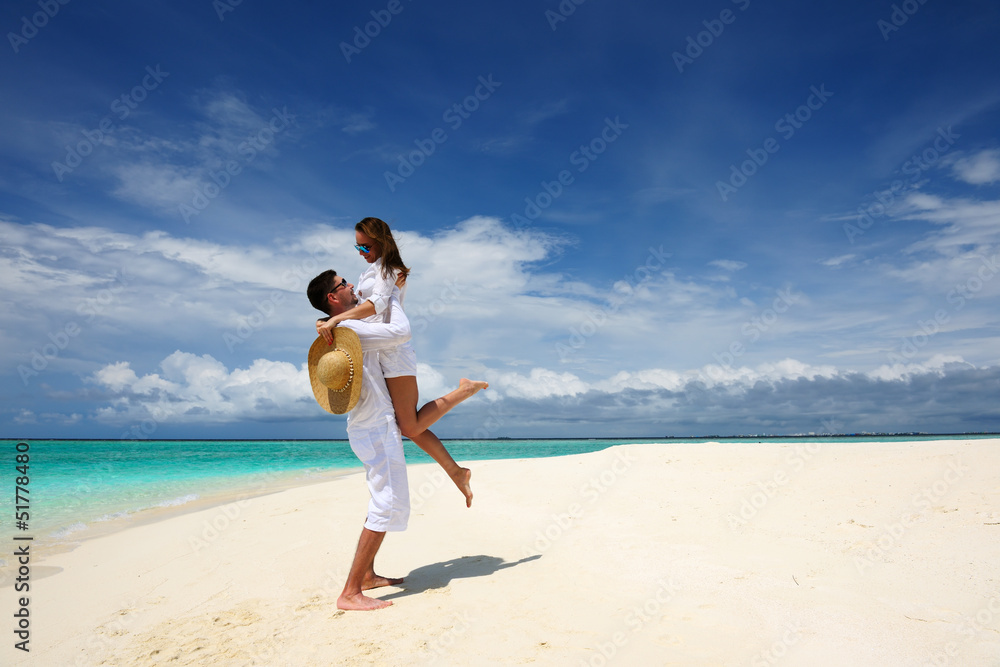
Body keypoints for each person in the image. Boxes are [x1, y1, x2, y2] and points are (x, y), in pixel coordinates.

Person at [315, 217, 487, 508]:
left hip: (394, 353)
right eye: (357, 247)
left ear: (381, 241)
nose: (361, 251)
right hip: (379, 352)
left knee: (409, 426)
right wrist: (325, 319)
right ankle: (457, 472)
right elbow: (357, 308)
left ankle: (464, 391)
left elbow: (376, 306)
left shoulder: (387, 268)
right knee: (406, 425)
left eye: (365, 246)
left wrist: (335, 319)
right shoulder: (371, 271)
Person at [306, 271, 412, 611]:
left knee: (383, 500)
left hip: (366, 426)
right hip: (375, 426)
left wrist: (394, 293)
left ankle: (366, 575)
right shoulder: (352, 330)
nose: (352, 285)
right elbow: (399, 332)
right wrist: (391, 294)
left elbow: (378, 316)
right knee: (386, 503)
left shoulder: (346, 328)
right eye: (344, 284)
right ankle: (350, 592)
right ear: (333, 297)